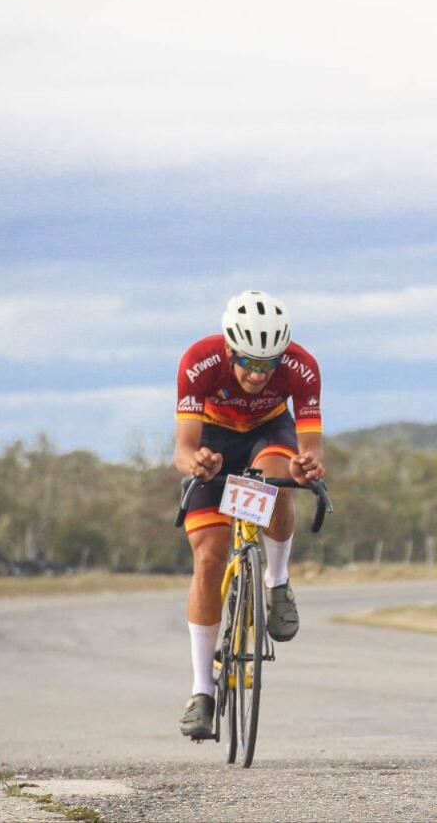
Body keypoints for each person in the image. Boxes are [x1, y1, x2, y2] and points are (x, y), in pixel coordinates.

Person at [173, 289, 325, 739]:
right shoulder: (198, 362)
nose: (258, 374)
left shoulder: (301, 367)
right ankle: (203, 691)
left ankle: (276, 582)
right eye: (248, 363)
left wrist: (307, 465)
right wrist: (198, 464)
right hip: (214, 436)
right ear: (229, 348)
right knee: (209, 558)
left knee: (276, 479)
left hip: (268, 432)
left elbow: (311, 447)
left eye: (268, 364)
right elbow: (183, 449)